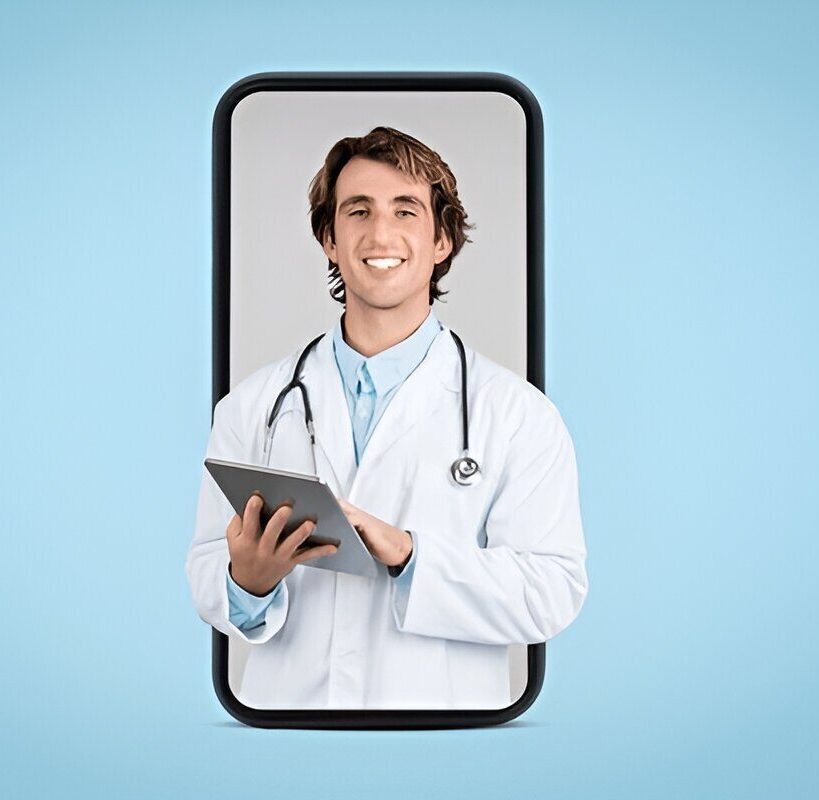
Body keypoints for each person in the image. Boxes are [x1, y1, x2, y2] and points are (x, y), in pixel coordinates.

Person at [186, 126, 588, 710]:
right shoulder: (253, 407)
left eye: (406, 210)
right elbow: (205, 571)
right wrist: (247, 581)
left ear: (442, 240)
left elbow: (553, 592)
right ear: (329, 238)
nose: (381, 233)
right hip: (290, 735)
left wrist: (409, 554)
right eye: (358, 211)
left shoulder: (516, 413)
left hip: (446, 738)